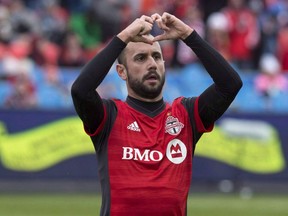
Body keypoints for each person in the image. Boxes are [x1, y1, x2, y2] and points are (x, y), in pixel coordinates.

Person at [71, 12, 242, 216]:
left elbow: (230, 85)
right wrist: (124, 37)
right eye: (141, 58)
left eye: (157, 57)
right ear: (121, 71)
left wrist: (188, 35)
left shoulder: (185, 115)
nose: (152, 64)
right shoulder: (109, 116)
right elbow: (80, 91)